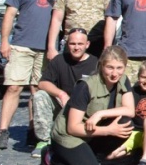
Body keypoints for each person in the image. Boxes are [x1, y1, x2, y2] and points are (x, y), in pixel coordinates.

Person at [0, 0, 62, 150]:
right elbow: (9, 15)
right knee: (13, 87)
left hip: (46, 49)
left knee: (37, 91)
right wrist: (4, 41)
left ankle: (34, 131)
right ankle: (2, 131)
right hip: (21, 45)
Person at [40, 46, 135, 165]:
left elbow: (130, 110)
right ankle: (52, 159)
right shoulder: (85, 86)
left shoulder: (123, 80)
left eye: (119, 68)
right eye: (110, 67)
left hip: (91, 132)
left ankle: (92, 159)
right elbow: (72, 128)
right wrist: (108, 130)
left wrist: (100, 114)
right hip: (68, 136)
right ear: (101, 65)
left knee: (126, 123)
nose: (115, 73)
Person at [32, 28, 99, 157]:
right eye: (72, 44)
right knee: (39, 96)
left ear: (87, 44)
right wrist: (61, 94)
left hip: (84, 110)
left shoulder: (95, 63)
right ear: (67, 44)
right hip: (62, 105)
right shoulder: (59, 60)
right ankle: (44, 141)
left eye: (80, 44)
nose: (76, 47)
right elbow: (43, 83)